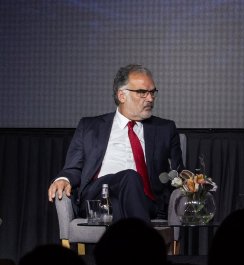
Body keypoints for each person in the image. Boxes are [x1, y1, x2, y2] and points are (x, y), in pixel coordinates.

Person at [47, 64, 184, 222]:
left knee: (119, 204)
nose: (150, 98)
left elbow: (179, 172)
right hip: (98, 195)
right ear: (122, 96)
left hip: (144, 199)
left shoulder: (165, 129)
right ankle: (146, 243)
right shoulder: (90, 127)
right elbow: (73, 167)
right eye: (142, 92)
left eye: (152, 92)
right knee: (130, 176)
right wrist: (63, 179)